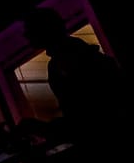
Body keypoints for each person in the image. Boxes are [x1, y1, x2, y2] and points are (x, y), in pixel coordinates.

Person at [20, 8, 125, 139]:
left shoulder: (67, 62)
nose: (25, 35)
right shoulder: (76, 56)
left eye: (30, 29)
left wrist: (43, 128)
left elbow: (85, 119)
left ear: (44, 30)